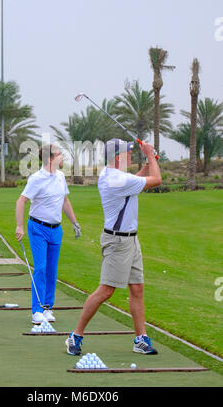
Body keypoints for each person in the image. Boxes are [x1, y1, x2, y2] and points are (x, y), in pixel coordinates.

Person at [65, 138, 162, 356]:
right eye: (128, 153)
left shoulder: (114, 176)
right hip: (117, 242)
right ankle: (75, 335)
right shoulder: (116, 179)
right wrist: (149, 156)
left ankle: (140, 339)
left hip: (130, 240)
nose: (130, 156)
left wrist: (149, 161)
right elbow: (156, 180)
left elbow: (136, 182)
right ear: (118, 157)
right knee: (106, 290)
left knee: (137, 288)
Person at [15, 144, 81, 325]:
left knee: (52, 270)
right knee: (41, 268)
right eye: (60, 155)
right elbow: (21, 201)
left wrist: (74, 222)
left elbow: (65, 200)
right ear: (50, 159)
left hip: (56, 230)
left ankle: (47, 307)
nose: (62, 158)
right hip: (37, 228)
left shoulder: (60, 176)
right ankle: (36, 310)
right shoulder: (36, 179)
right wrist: (19, 226)